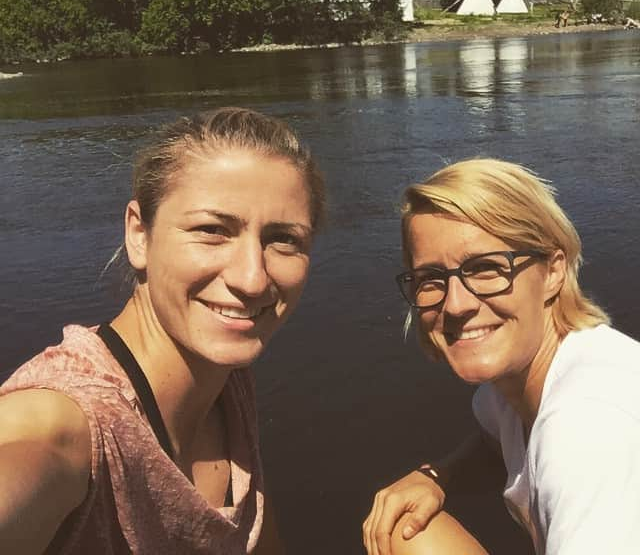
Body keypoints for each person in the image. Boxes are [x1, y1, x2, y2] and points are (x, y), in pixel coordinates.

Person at [0, 107, 325, 554]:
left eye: (284, 239)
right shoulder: (76, 423)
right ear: (139, 234)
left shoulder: (224, 380)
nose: (252, 279)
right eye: (212, 230)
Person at [363, 158, 640, 555]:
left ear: (553, 271)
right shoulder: (517, 385)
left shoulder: (588, 429)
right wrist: (438, 477)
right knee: (405, 528)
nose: (456, 305)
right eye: (430, 279)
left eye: (487, 268)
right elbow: (495, 442)